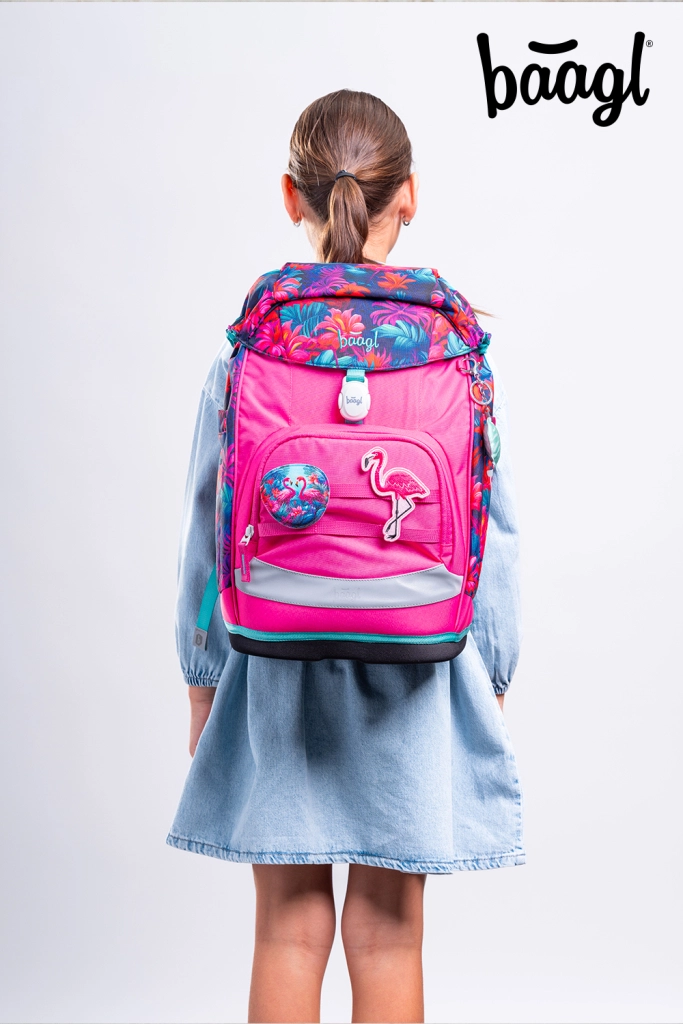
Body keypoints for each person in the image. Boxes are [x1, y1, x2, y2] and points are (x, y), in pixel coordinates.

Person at [167, 89, 525, 1024]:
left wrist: (203, 681)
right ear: (410, 195)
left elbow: (207, 525)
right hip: (419, 663)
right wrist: (489, 678)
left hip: (275, 660)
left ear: (291, 195)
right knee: (389, 932)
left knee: (287, 928)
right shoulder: (455, 354)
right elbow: (492, 529)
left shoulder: (251, 349)